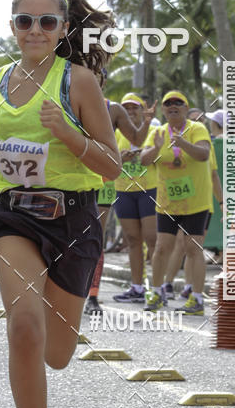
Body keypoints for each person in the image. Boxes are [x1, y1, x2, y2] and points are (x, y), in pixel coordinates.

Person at [0, 0, 121, 408]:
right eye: (24, 21)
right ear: (12, 27)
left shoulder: (78, 82)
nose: (35, 30)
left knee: (57, 354)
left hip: (72, 221)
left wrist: (70, 135)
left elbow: (112, 166)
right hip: (13, 219)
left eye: (46, 21)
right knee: (25, 328)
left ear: (63, 29)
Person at [84, 82, 154, 314]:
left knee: (96, 238)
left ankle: (92, 296)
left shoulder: (112, 109)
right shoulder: (66, 100)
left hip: (103, 182)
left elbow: (138, 139)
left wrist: (147, 121)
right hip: (74, 179)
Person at [140, 90, 212, 315]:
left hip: (195, 201)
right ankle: (156, 292)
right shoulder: (158, 132)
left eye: (178, 103)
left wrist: (182, 143)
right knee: (162, 248)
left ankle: (197, 299)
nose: (173, 106)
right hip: (168, 202)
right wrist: (156, 148)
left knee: (193, 248)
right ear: (163, 110)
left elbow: (204, 154)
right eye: (168, 103)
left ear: (186, 108)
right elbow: (144, 160)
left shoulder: (196, 128)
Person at [163, 107, 223, 299]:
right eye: (194, 121)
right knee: (180, 245)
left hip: (199, 204)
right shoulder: (168, 140)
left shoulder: (205, 146)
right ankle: (169, 284)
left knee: (191, 247)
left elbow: (214, 175)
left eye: (201, 121)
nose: (198, 125)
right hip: (176, 203)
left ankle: (189, 288)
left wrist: (222, 202)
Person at [110, 93, 158, 304]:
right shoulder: (116, 133)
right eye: (126, 108)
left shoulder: (153, 130)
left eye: (134, 108)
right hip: (124, 191)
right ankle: (137, 288)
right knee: (132, 240)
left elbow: (159, 157)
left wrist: (146, 154)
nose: (130, 112)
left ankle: (158, 288)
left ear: (142, 110)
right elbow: (109, 160)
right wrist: (121, 158)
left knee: (152, 239)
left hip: (149, 190)